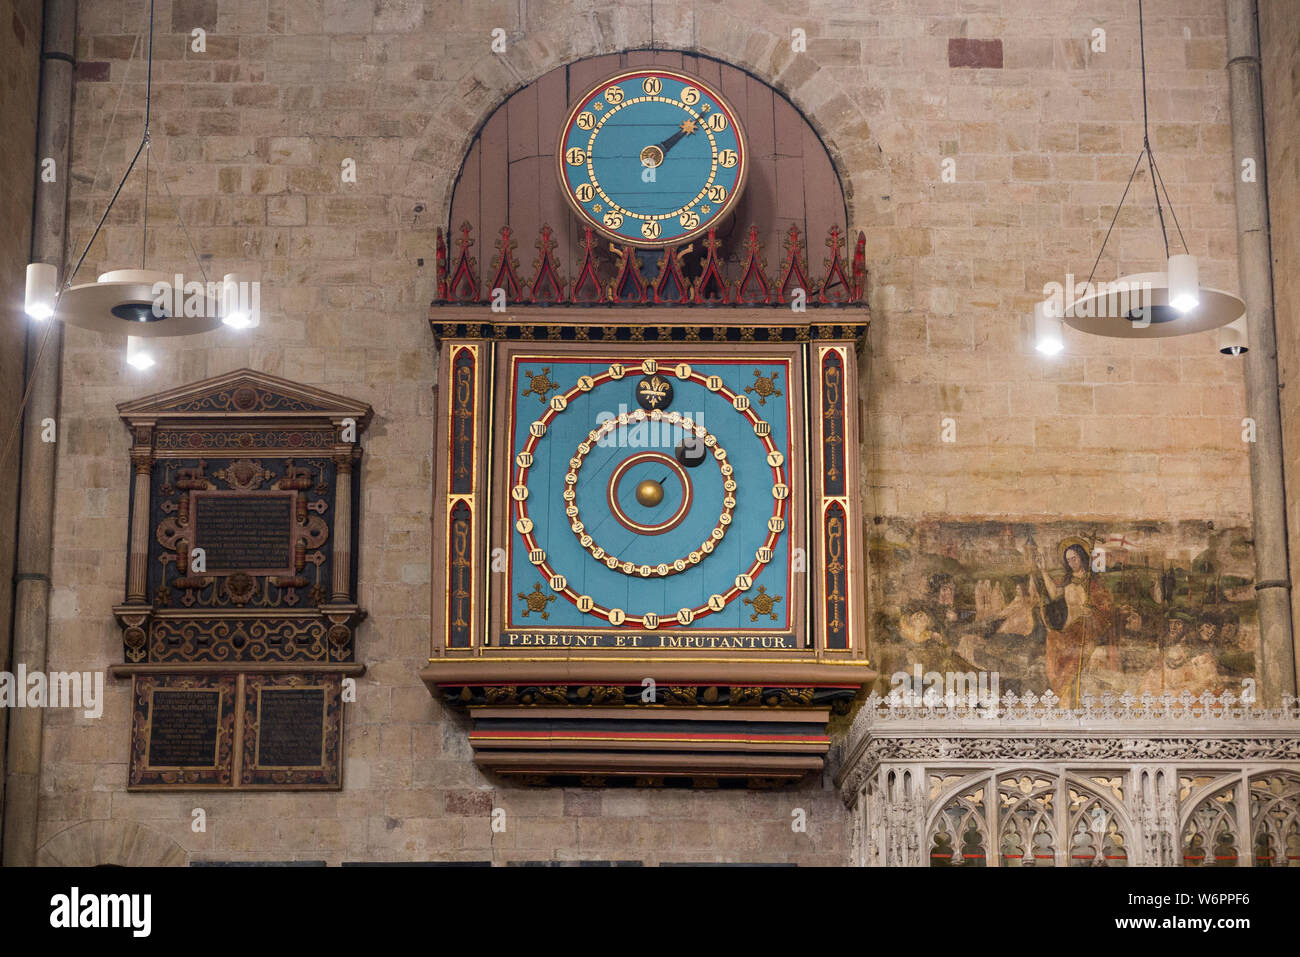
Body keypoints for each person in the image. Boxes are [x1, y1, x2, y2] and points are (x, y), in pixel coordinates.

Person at [1036, 542, 1116, 707]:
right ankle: (1063, 704)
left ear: (1082, 557)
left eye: (1074, 558)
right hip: (1068, 630)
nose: (1071, 563)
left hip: (1086, 631)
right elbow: (1054, 593)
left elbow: (1107, 609)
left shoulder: (1093, 582)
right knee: (1053, 644)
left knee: (1072, 667)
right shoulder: (1068, 580)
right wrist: (1043, 570)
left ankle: (1070, 704)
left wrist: (1092, 612)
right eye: (1068, 560)